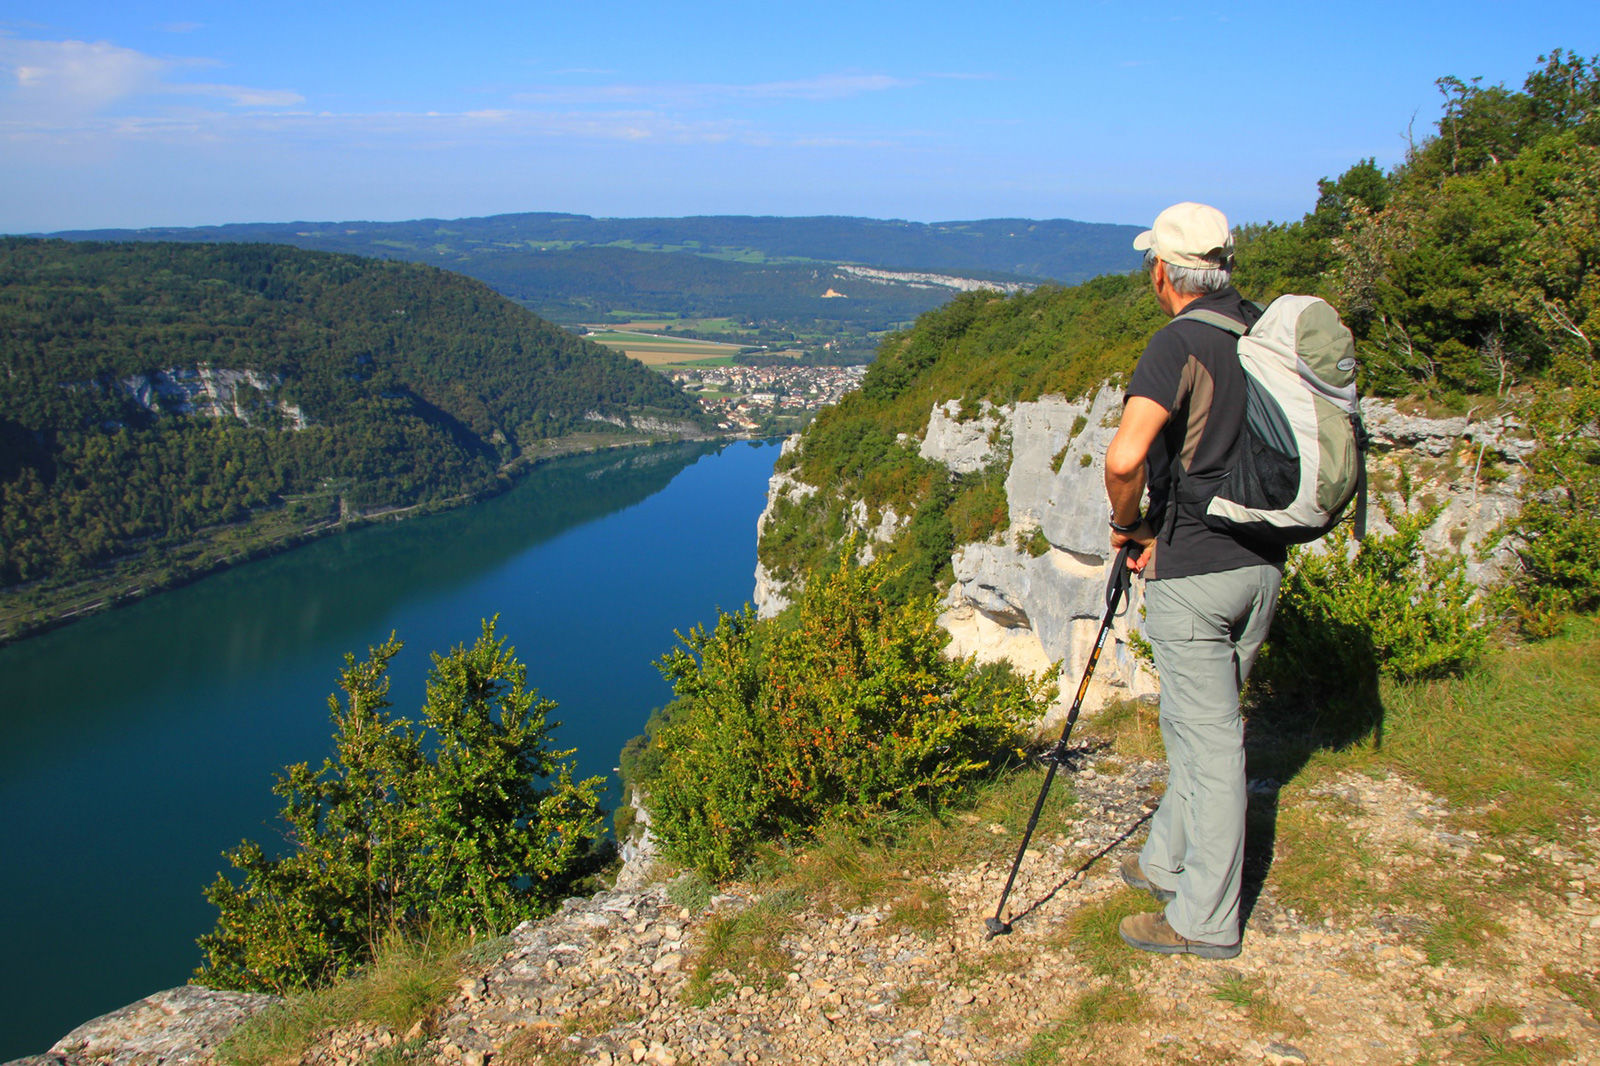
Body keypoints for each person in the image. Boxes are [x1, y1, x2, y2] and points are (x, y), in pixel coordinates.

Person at [1102, 202, 1285, 960]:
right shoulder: (1265, 334)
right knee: (1195, 723)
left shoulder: (1179, 341)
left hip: (1198, 571)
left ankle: (1203, 920)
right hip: (1264, 565)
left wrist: (1129, 525)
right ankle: (1164, 862)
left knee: (1209, 747)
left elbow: (1124, 459)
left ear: (1162, 273)